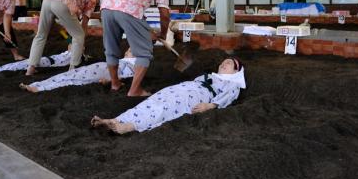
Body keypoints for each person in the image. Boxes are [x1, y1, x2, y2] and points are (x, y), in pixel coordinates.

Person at [91, 56, 245, 134]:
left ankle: (129, 126)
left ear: (236, 71)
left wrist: (209, 105)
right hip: (181, 89)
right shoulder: (209, 76)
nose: (224, 63)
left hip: (194, 97)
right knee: (151, 102)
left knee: (165, 109)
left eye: (229, 63)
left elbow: (226, 98)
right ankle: (115, 120)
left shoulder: (232, 84)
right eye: (223, 62)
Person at [100, 0, 170, 97]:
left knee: (111, 49)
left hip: (107, 7)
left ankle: (115, 84)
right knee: (144, 52)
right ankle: (134, 90)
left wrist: (138, 16)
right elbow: (164, 13)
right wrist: (163, 33)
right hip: (129, 10)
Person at [25, 0, 97, 76]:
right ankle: (73, 67)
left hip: (47, 0)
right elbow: (84, 24)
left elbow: (68, 19)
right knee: (79, 35)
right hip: (63, 3)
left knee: (40, 35)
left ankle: (30, 68)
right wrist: (80, 44)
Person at [19, 49, 135, 93]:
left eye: (129, 51)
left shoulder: (132, 66)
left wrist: (109, 81)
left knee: (74, 80)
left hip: (106, 71)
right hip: (99, 67)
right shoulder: (123, 60)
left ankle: (39, 88)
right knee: (68, 74)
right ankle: (36, 85)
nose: (126, 51)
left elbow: (122, 78)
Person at [0, 45, 72, 72]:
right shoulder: (68, 53)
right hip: (46, 60)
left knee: (20, 65)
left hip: (48, 62)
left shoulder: (73, 56)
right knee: (19, 64)